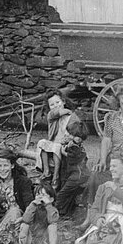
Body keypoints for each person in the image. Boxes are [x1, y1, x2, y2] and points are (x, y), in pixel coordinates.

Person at [36, 90, 90, 226]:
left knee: (65, 186)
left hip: (65, 149)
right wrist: (65, 110)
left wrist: (71, 142)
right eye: (52, 104)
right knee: (42, 143)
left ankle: (61, 211)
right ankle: (46, 171)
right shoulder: (53, 115)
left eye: (58, 102)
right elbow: (55, 113)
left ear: (64, 101)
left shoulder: (73, 119)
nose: (55, 106)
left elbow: (79, 134)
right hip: (54, 145)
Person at [0, 150, 36, 244]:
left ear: (12, 165)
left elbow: (29, 205)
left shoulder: (22, 181)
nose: (2, 169)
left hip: (18, 218)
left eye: (5, 165)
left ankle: (1, 240)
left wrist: (23, 219)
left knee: (14, 210)